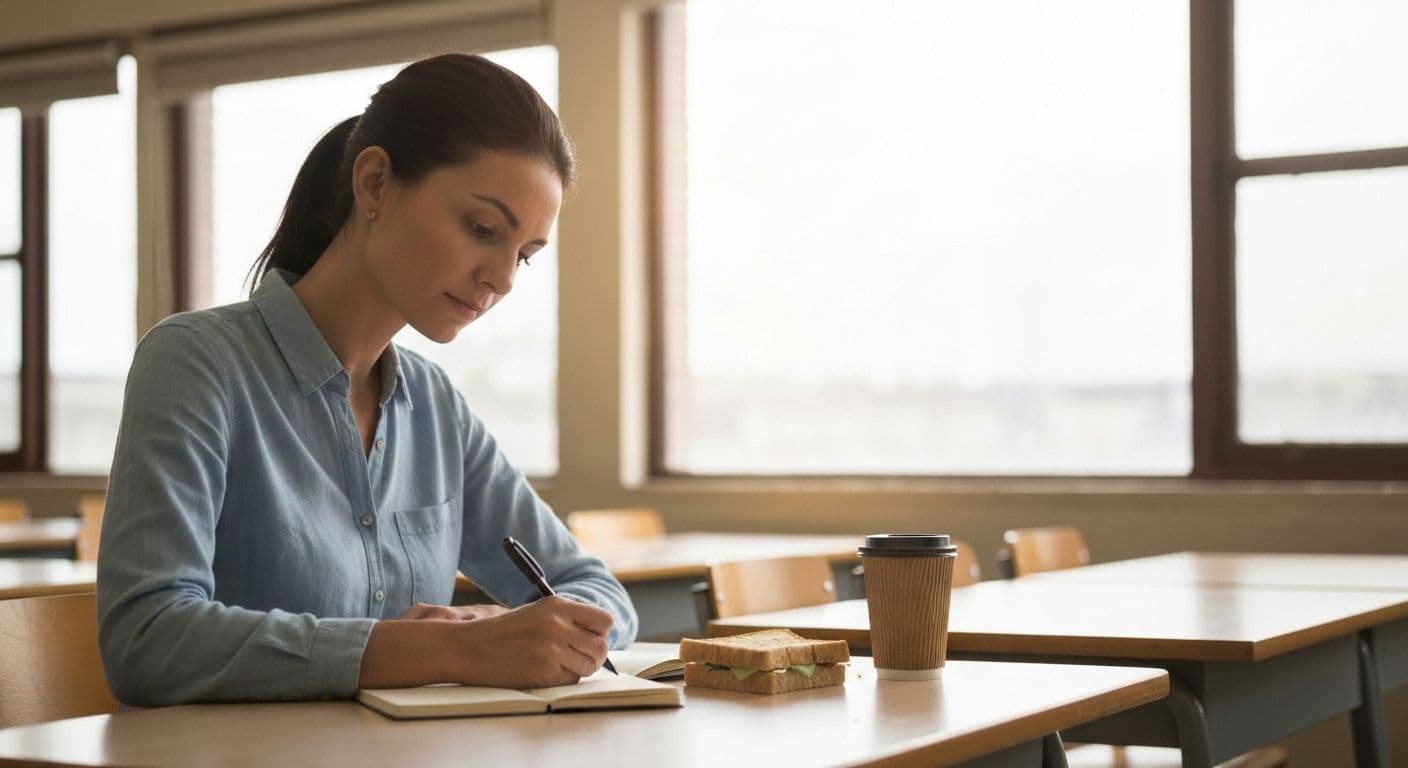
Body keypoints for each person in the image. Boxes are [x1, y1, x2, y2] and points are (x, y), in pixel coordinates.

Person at [96, 53, 637, 706]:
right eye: (482, 228)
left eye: (523, 254)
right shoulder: (194, 364)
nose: (502, 278)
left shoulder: (435, 407)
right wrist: (450, 650)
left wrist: (506, 627)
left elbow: (596, 591)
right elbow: (146, 641)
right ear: (376, 182)